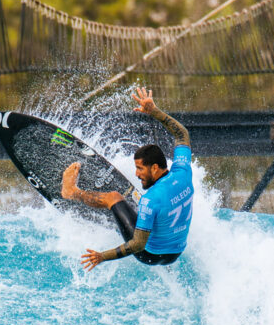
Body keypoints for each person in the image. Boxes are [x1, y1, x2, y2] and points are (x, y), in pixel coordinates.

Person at [61, 86, 194, 271]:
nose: (137, 174)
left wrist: (102, 256)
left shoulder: (151, 200)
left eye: (140, 169)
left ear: (155, 168)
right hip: (176, 253)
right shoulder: (184, 172)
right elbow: (182, 134)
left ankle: (71, 192)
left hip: (149, 255)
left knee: (114, 197)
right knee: (146, 207)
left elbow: (138, 245)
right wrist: (154, 111)